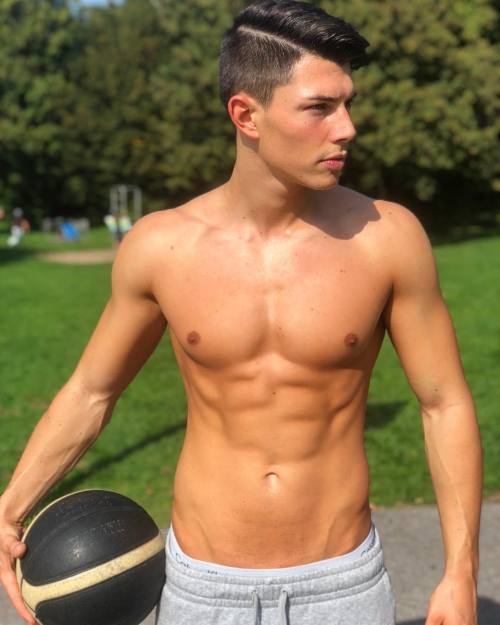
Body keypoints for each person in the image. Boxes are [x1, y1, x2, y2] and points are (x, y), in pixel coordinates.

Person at [0, 1, 482, 624]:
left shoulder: (386, 238)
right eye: (320, 107)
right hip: (204, 587)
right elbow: (93, 391)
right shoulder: (161, 248)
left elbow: (445, 402)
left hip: (342, 584)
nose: (347, 128)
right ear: (246, 115)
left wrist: (461, 570)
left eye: (348, 104)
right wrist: (10, 508)